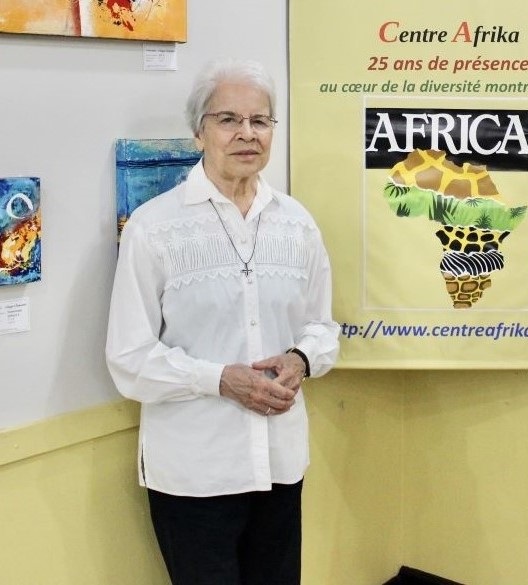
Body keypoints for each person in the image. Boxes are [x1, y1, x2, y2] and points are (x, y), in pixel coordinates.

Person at [106, 59, 340, 585]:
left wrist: (301, 359)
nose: (247, 134)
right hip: (195, 474)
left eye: (261, 121)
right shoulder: (154, 228)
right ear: (199, 131)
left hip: (280, 465)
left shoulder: (297, 223)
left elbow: (324, 329)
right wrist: (219, 379)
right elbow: (128, 358)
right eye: (229, 119)